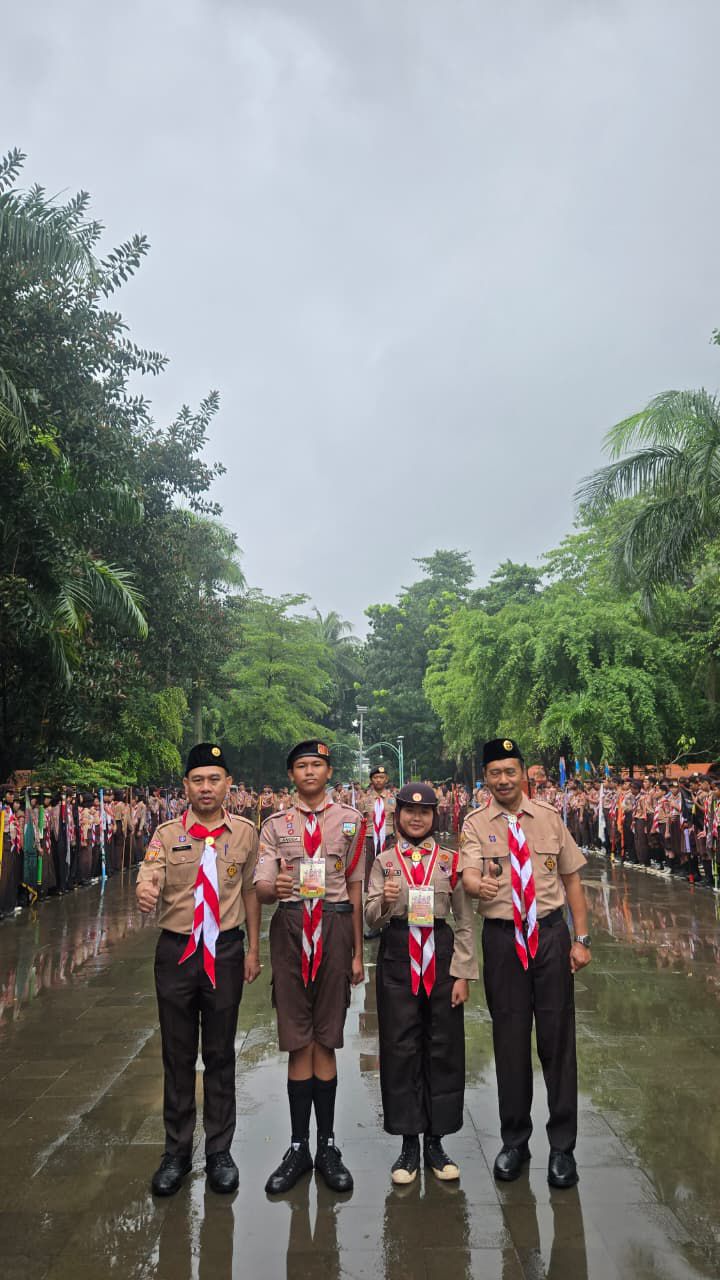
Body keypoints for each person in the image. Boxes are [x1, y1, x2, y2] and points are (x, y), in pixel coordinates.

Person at [460, 737, 592, 1189]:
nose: (503, 780)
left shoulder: (550, 818)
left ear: (522, 774)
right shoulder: (476, 823)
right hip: (503, 941)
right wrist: (478, 886)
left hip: (551, 937)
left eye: (509, 771)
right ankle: (515, 1141)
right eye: (494, 773)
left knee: (558, 1042)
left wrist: (582, 939)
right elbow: (469, 872)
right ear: (486, 778)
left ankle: (563, 1148)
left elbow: (572, 881)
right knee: (510, 1041)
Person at [136, 742, 261, 1197]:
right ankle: (176, 1153)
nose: (206, 787)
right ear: (186, 786)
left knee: (221, 1053)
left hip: (225, 952)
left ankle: (220, 1151)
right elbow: (149, 872)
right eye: (197, 780)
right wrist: (145, 889)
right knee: (177, 1054)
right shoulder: (166, 833)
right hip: (177, 953)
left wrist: (253, 949)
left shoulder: (245, 833)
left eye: (214, 779)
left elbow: (250, 891)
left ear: (228, 785)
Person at [253, 740, 366, 1195]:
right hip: (291, 927)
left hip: (335, 925)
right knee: (298, 1039)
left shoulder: (352, 822)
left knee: (327, 1037)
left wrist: (356, 952)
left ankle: (327, 1146)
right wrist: (273, 887)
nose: (310, 771)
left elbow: (355, 887)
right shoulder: (274, 825)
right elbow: (262, 883)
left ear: (329, 771)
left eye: (317, 764)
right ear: (291, 775)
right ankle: (298, 1146)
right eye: (301, 765)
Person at [365, 782, 477, 1184]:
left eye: (424, 812)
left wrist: (463, 973)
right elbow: (369, 917)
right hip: (398, 955)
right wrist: (384, 900)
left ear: (434, 816)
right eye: (409, 812)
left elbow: (464, 921)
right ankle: (408, 1144)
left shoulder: (449, 861)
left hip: (441, 956)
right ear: (397, 816)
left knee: (442, 1046)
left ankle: (436, 1141)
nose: (417, 818)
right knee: (400, 1047)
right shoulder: (384, 861)